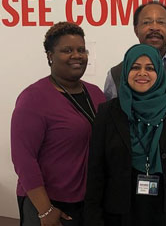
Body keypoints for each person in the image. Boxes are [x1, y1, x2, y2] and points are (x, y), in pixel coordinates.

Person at [84, 44, 166, 226]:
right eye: (135, 67)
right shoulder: (108, 112)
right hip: (119, 215)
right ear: (126, 70)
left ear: (159, 72)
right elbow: (96, 172)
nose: (142, 73)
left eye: (150, 68)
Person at [11, 22, 106, 226]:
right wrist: (46, 210)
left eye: (81, 49)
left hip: (87, 202)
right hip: (48, 204)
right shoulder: (33, 98)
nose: (77, 55)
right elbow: (23, 159)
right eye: (67, 50)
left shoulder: (97, 94)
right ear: (50, 55)